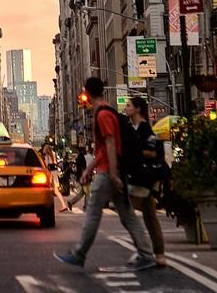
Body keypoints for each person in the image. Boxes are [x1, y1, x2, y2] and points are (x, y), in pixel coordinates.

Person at [55, 77, 156, 272]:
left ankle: (79, 254)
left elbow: (110, 144)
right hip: (110, 169)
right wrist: (89, 169)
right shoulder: (106, 111)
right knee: (127, 215)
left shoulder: (102, 115)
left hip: (108, 172)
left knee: (93, 212)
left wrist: (112, 173)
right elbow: (101, 148)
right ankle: (146, 254)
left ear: (88, 92)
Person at [123, 98, 168, 266]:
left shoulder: (145, 129)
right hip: (138, 178)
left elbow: (153, 153)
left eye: (129, 105)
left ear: (138, 109)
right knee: (149, 216)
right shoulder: (130, 128)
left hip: (145, 179)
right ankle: (156, 253)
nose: (126, 108)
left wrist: (135, 152)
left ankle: (147, 252)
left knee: (127, 213)